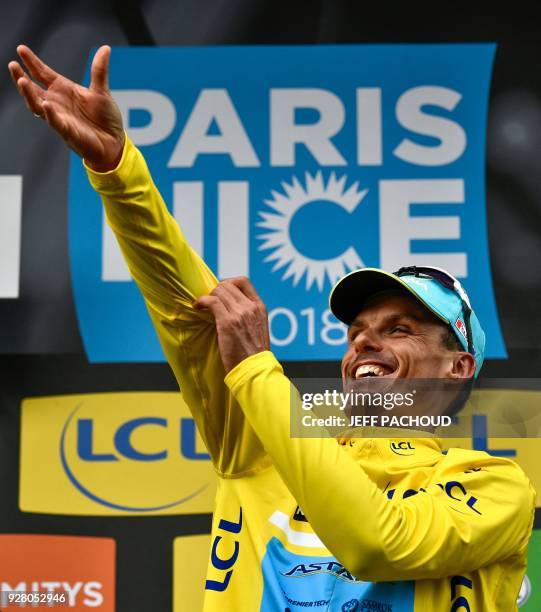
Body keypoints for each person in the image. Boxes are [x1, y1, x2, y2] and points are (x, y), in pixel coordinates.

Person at [9, 44, 535, 611]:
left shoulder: (497, 487)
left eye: (400, 328)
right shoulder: (261, 449)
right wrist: (117, 170)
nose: (364, 340)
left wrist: (258, 370)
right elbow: (189, 309)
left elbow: (380, 542)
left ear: (458, 365)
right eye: (357, 329)